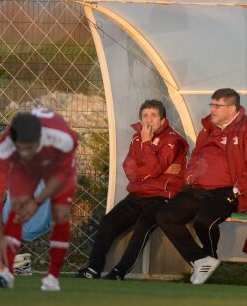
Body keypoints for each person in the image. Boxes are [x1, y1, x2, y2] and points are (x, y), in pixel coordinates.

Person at [153, 88, 247, 285]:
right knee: (165, 216)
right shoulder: (207, 130)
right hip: (197, 187)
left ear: (232, 108)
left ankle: (208, 260)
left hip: (227, 190)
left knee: (203, 221)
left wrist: (237, 189)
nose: (212, 109)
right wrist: (190, 175)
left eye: (218, 105)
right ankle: (201, 260)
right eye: (212, 105)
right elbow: (196, 156)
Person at [77, 100, 189, 280]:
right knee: (108, 222)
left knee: (143, 226)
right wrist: (159, 169)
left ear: (162, 120)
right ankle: (93, 269)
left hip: (162, 196)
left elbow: (151, 168)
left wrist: (148, 150)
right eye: (145, 115)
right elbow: (129, 169)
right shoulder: (137, 138)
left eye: (153, 115)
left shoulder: (172, 140)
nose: (149, 120)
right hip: (138, 193)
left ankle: (119, 272)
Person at [0, 108, 79, 292]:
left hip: (57, 167)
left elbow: (62, 175)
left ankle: (52, 277)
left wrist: (37, 201)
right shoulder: (6, 146)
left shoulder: (63, 139)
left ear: (40, 139)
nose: (24, 152)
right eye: (20, 148)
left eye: (28, 148)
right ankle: (8, 272)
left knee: (61, 213)